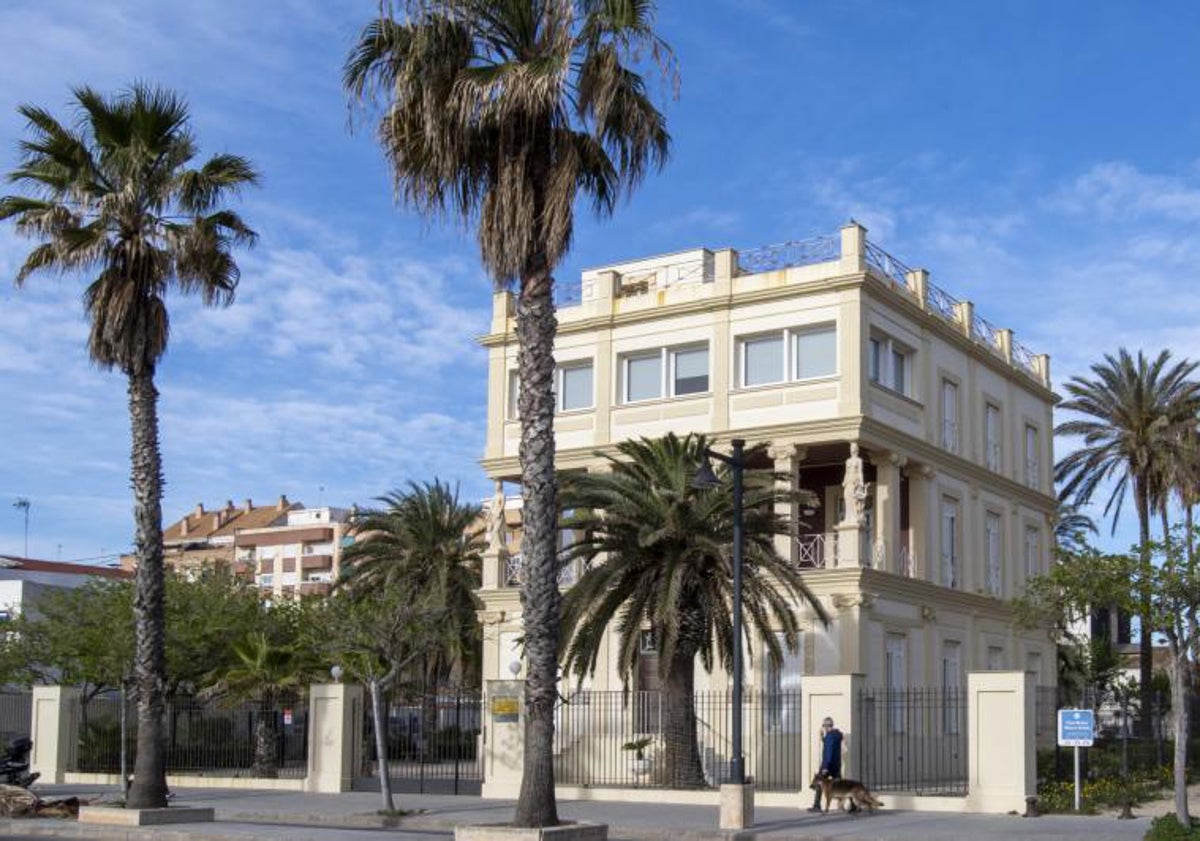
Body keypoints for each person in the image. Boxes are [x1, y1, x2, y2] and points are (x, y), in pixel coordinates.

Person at [808, 716, 843, 812]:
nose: (823, 728)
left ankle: (817, 805)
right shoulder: (837, 735)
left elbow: (829, 751)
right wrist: (823, 738)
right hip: (836, 765)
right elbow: (830, 745)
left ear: (827, 726)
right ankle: (847, 805)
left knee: (819, 782)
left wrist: (825, 767)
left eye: (823, 725)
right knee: (840, 786)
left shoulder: (830, 736)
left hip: (828, 765)